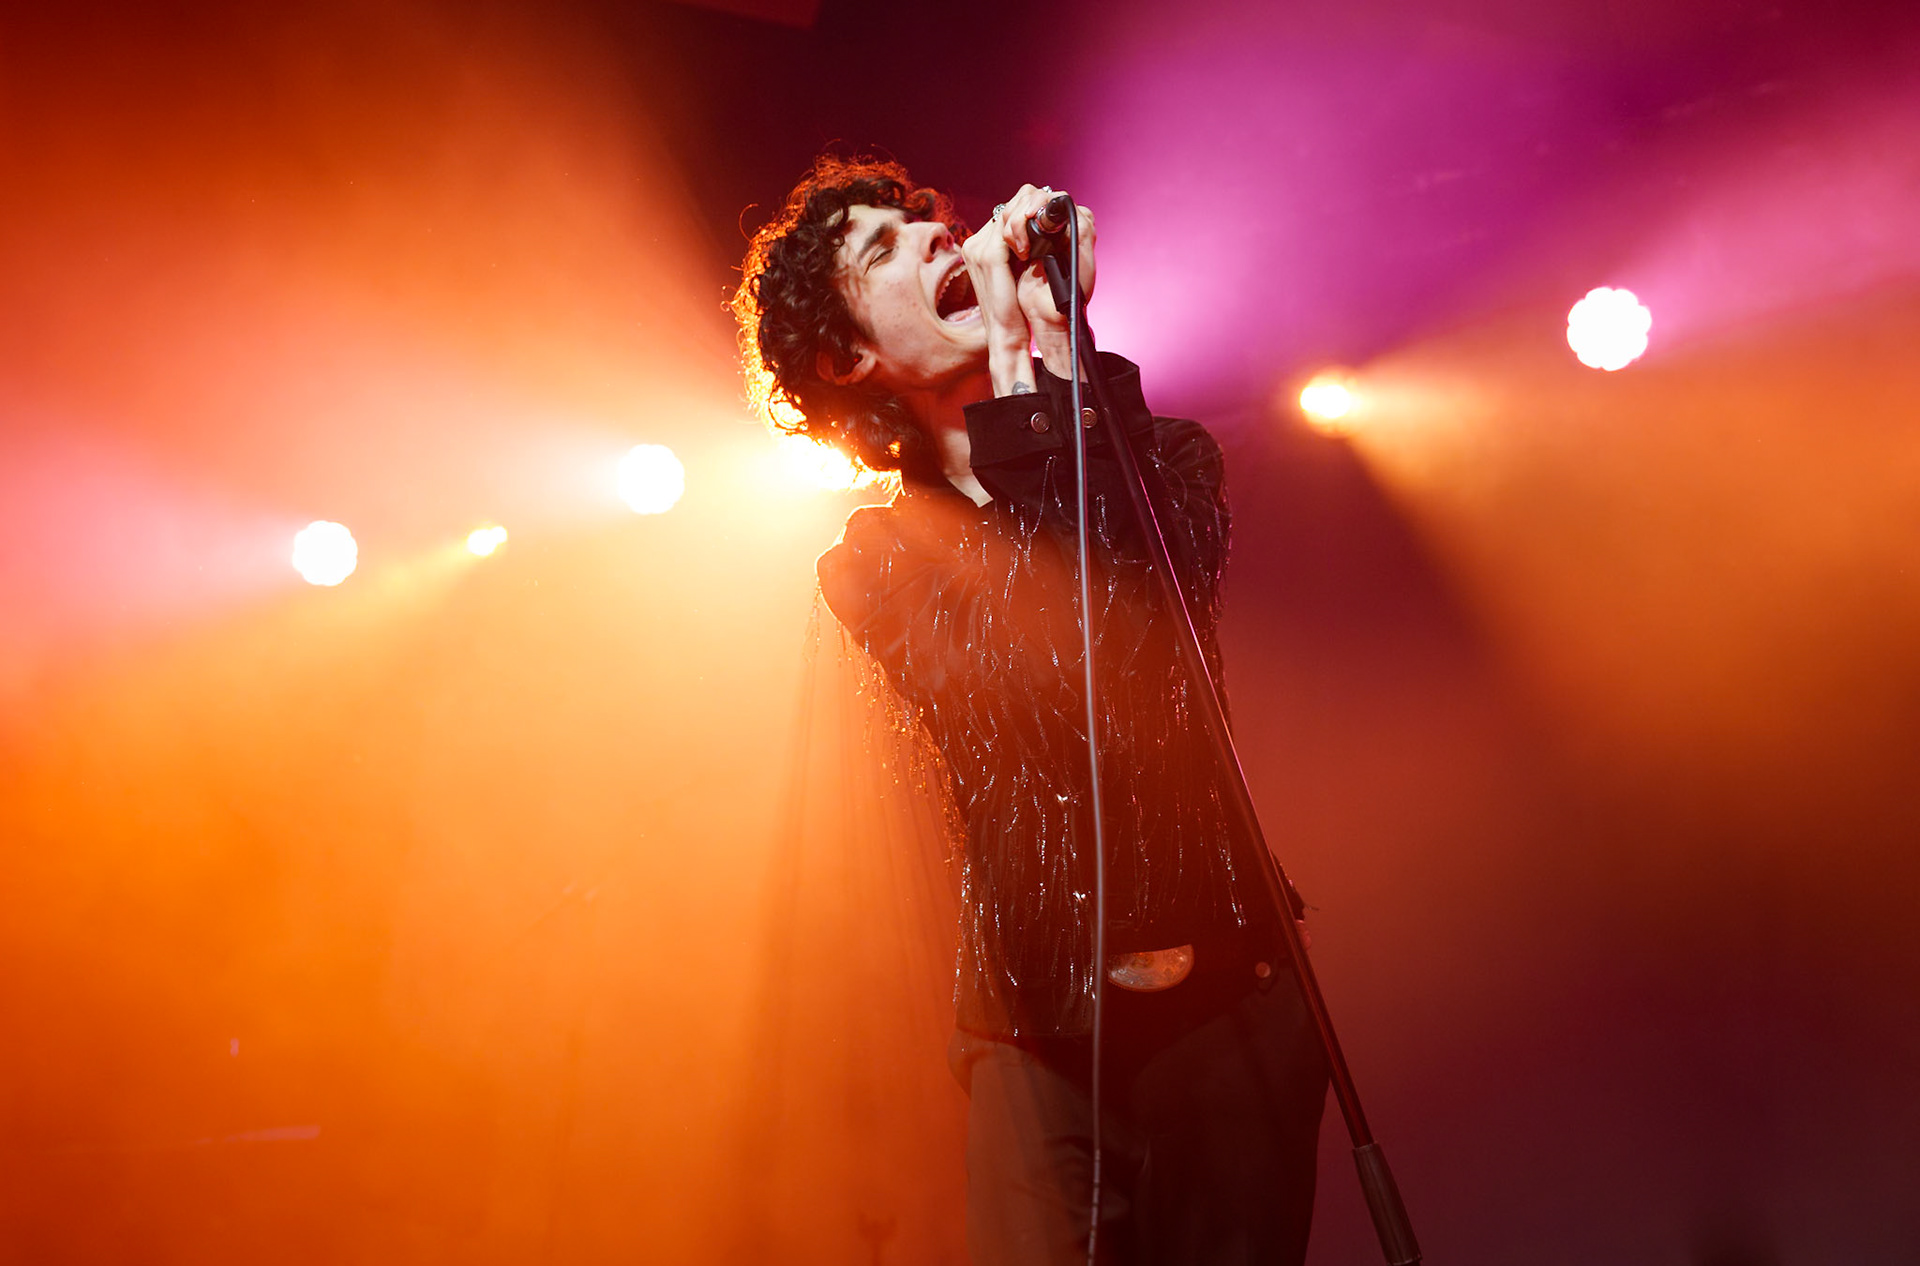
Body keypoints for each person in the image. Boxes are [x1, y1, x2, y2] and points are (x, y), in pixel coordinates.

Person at [733, 155, 1328, 1266]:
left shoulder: (1168, 459)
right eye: (885, 249)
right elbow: (1046, 694)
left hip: (1236, 1008)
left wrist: (1052, 362)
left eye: (928, 224)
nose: (937, 240)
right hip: (1032, 1041)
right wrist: (1020, 371)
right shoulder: (876, 565)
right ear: (849, 358)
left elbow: (1138, 672)